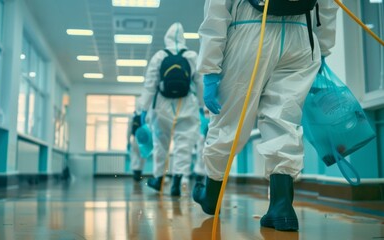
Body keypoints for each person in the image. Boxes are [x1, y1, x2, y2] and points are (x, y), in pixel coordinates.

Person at [192, 0, 338, 231]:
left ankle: (212, 197)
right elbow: (328, 6)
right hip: (302, 39)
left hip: (250, 31)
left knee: (229, 122)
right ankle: (282, 207)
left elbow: (217, 11)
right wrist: (323, 49)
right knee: (284, 120)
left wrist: (210, 67)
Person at [139, 22, 204, 196]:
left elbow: (150, 85)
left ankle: (158, 179)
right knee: (184, 145)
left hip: (162, 105)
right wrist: (202, 108)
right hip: (187, 104)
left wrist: (143, 109)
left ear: (166, 37)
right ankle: (176, 182)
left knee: (161, 144)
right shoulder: (192, 56)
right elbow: (200, 84)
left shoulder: (159, 56)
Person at [127, 110, 146, 182]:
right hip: (144, 140)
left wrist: (128, 142)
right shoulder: (146, 116)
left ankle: (136, 175)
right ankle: (138, 174)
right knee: (142, 158)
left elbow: (129, 131)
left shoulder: (133, 117)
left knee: (135, 157)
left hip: (136, 139)